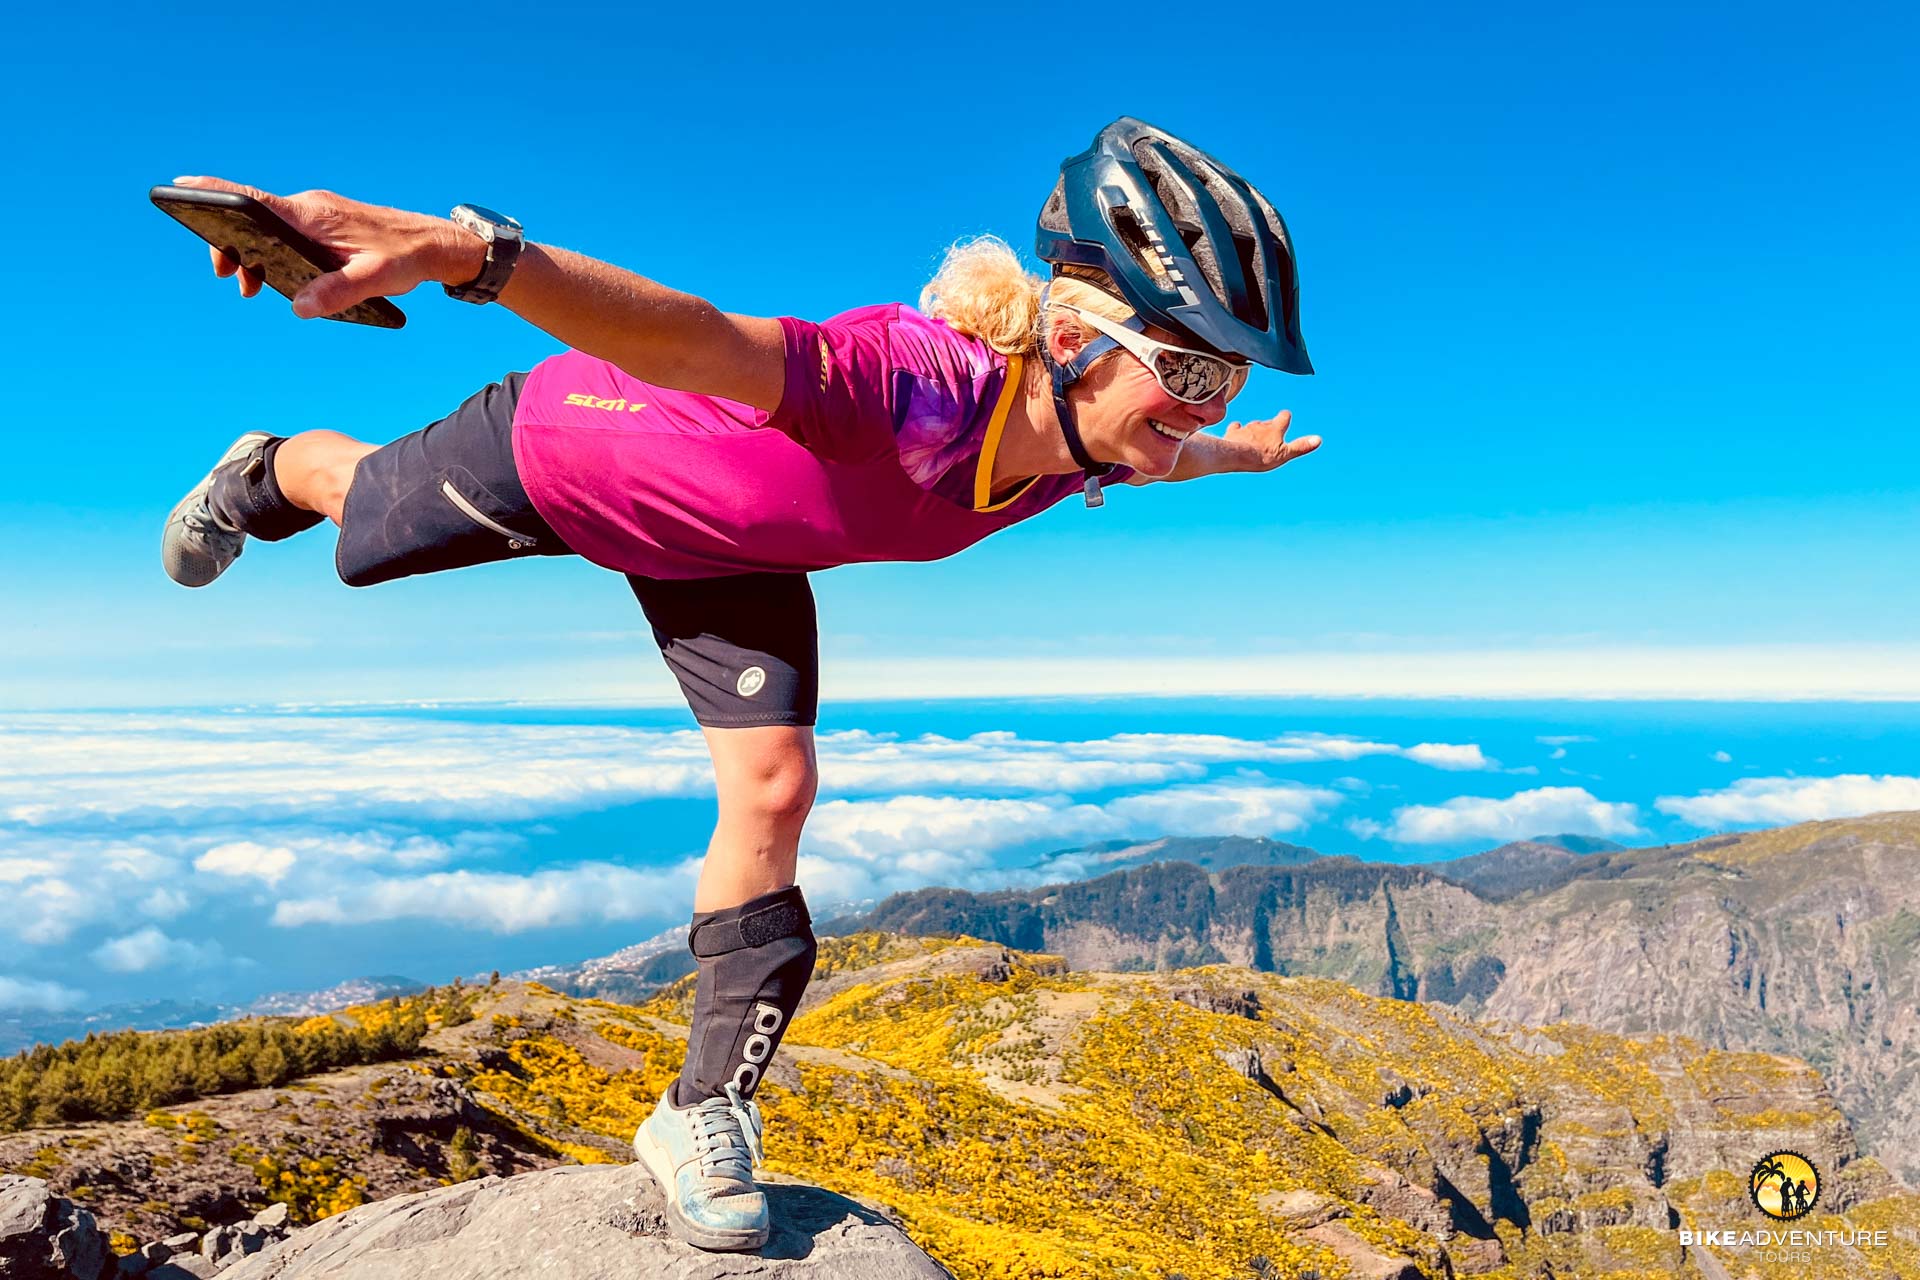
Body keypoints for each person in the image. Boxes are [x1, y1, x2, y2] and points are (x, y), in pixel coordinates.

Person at [159, 116, 1319, 1253]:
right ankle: (264, 466)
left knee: (775, 787)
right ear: (1070, 335)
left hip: (730, 555)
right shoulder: (916, 385)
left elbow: (1166, 451)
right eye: (1189, 370)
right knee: (355, 502)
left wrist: (1241, 454)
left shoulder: (1082, 442)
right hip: (566, 453)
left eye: (1224, 377)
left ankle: (701, 1106)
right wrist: (469, 253)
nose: (1205, 405)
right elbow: (697, 340)